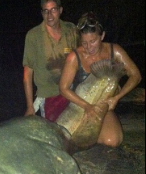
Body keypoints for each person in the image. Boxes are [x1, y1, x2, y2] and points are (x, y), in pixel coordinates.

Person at [59, 11, 142, 147]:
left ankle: (93, 135)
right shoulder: (74, 57)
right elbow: (63, 88)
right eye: (84, 42)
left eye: (93, 41)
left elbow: (136, 76)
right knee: (62, 141)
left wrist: (116, 98)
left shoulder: (114, 51)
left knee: (112, 141)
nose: (88, 47)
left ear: (102, 36)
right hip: (80, 106)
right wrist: (87, 106)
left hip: (104, 106)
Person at [22, 0, 79, 119]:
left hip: (72, 90)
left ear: (60, 10)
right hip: (48, 95)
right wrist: (30, 106)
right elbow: (27, 73)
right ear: (42, 13)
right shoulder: (33, 36)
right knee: (55, 134)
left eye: (53, 10)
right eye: (46, 11)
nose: (49, 15)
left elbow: (83, 58)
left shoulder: (71, 30)